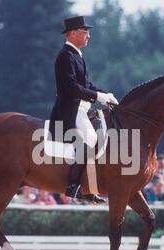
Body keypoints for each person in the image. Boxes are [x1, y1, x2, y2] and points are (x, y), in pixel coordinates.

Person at [49, 16, 118, 204]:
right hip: (70, 108)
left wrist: (106, 95)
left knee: (102, 137)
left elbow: (86, 84)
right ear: (72, 34)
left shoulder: (77, 55)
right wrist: (97, 97)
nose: (88, 36)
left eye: (88, 32)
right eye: (84, 32)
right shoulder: (65, 55)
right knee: (91, 139)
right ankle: (73, 185)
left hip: (83, 107)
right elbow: (72, 88)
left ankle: (89, 186)